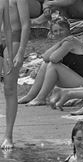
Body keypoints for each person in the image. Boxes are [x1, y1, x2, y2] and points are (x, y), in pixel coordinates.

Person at [18, 17, 83, 106]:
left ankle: (41, 98)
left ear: (68, 30)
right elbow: (45, 58)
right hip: (74, 80)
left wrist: (60, 43)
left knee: (53, 66)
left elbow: (53, 59)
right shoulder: (63, 43)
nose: (58, 33)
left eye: (61, 30)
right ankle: (30, 96)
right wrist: (59, 43)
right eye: (55, 31)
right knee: (45, 64)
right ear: (52, 33)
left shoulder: (71, 41)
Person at [1, 0, 30, 150]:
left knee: (9, 89)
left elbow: (26, 24)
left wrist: (21, 51)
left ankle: (8, 135)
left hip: (13, 41)